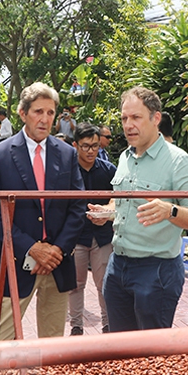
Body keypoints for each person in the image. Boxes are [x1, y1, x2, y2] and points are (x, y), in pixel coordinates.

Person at [89, 86, 188, 332]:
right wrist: (107, 211)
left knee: (151, 355)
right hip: (117, 266)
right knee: (121, 351)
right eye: (124, 118)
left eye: (136, 117)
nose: (128, 125)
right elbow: (121, 203)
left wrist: (170, 211)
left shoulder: (180, 162)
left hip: (156, 273)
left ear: (156, 119)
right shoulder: (124, 158)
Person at [0, 82, 85, 342]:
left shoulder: (68, 154)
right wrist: (31, 248)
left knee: (52, 346)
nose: (45, 119)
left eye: (51, 113)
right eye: (38, 111)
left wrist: (57, 250)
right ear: (23, 113)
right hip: (13, 262)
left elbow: (78, 205)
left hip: (57, 264)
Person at [68, 123, 116, 335]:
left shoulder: (108, 170)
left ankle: (108, 324)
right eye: (86, 146)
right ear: (75, 145)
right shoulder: (66, 172)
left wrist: (106, 213)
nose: (90, 151)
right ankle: (76, 326)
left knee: (104, 283)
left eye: (95, 146)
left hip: (102, 236)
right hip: (76, 236)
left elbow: (118, 200)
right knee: (75, 284)